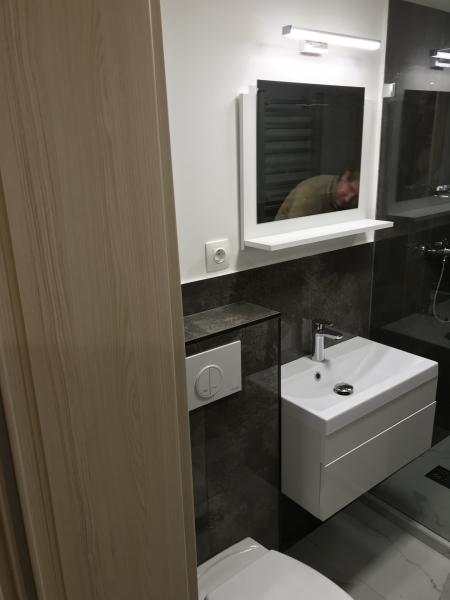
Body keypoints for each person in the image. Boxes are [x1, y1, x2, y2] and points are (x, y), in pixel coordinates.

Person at [274, 170, 360, 221]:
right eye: (350, 189)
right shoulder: (310, 193)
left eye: (356, 197)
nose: (348, 199)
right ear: (345, 176)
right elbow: (294, 235)